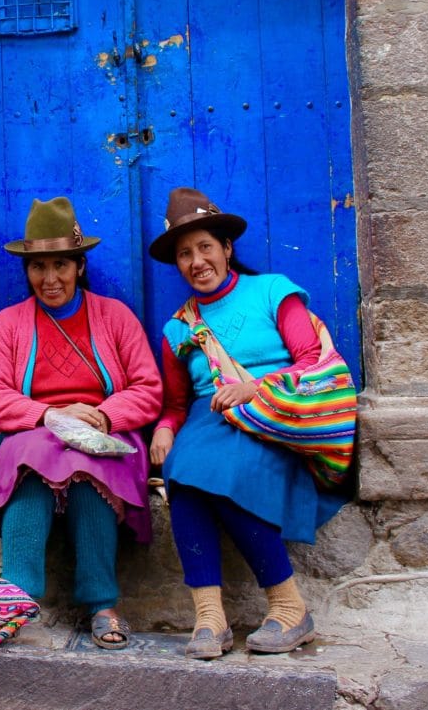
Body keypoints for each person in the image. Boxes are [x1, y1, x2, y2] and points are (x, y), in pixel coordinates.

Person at [147, 186, 348, 659]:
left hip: (276, 416)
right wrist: (163, 428)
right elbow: (177, 403)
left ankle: (289, 607)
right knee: (184, 473)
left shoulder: (272, 291)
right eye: (184, 254)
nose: (196, 261)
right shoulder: (178, 329)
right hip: (208, 421)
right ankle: (210, 619)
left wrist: (256, 389)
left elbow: (312, 360)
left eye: (205, 248)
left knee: (219, 473)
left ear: (227, 249)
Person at [0, 197, 162, 650]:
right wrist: (49, 415)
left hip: (102, 435)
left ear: (80, 266)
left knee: (88, 467)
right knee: (33, 455)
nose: (49, 278)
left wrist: (103, 415)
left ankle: (102, 602)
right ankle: (16, 594)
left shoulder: (115, 317)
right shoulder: (8, 325)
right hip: (33, 433)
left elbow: (147, 387)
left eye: (60, 264)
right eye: (38, 267)